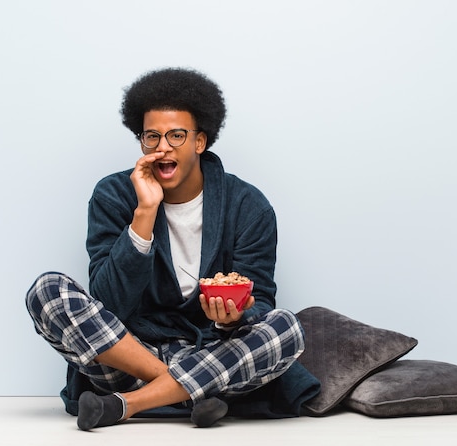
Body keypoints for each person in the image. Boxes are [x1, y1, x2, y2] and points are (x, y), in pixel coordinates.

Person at [25, 67, 319, 430]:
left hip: (213, 353)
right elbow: (107, 302)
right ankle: (185, 392)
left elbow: (261, 305)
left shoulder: (248, 205)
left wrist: (234, 316)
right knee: (47, 291)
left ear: (200, 141)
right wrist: (144, 214)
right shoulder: (114, 196)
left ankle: (125, 406)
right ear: (142, 142)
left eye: (177, 136)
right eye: (152, 137)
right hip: (131, 358)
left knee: (286, 327)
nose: (163, 148)